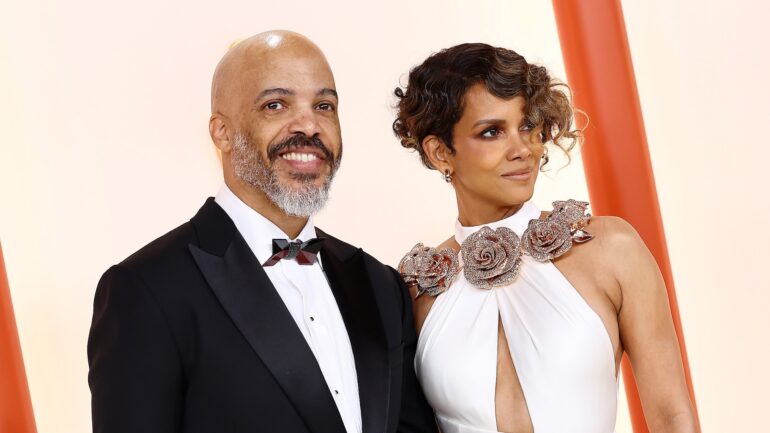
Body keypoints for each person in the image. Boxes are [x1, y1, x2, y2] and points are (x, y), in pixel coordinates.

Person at [87, 30, 438, 433]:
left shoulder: (379, 284)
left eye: (324, 105)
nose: (309, 125)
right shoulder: (147, 290)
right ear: (222, 132)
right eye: (275, 104)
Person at [393, 43, 699, 433]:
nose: (522, 149)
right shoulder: (419, 287)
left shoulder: (611, 249)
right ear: (440, 153)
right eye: (492, 132)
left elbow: (672, 416)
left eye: (527, 126)